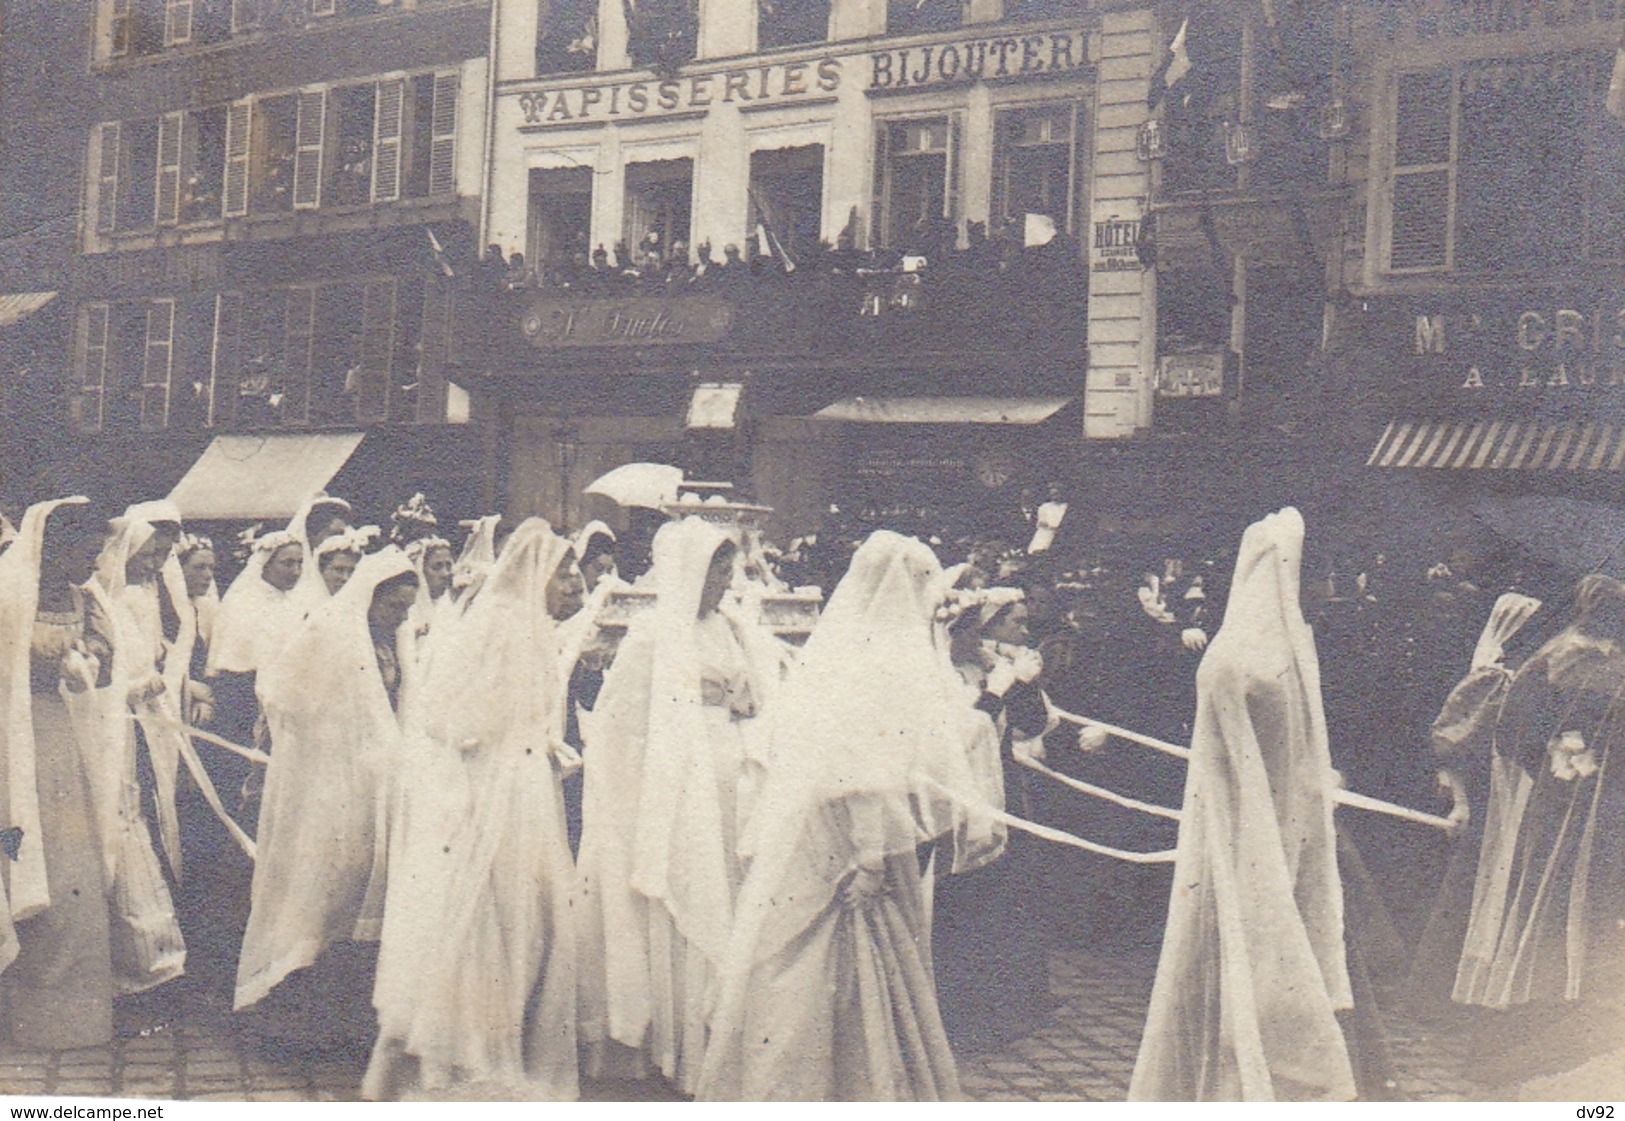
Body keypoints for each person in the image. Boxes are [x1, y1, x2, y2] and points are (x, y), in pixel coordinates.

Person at [695, 530, 989, 1101]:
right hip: (853, 835)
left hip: (826, 829)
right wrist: (872, 857)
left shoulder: (850, 653)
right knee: (838, 961)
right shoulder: (881, 664)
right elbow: (863, 774)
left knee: (817, 964)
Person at [1130, 508, 1356, 1102]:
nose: (1329, 592)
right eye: (1319, 576)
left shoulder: (1290, 651)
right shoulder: (1238, 664)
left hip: (1295, 832)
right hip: (1241, 845)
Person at [365, 520, 584, 1100]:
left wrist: (541, 744)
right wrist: (509, 747)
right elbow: (453, 718)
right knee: (492, 913)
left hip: (526, 786)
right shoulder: (503, 624)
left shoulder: (528, 625)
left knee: (526, 915)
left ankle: (508, 1040)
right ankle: (475, 1054)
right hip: (497, 791)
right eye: (566, 573)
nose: (573, 585)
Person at [576, 517, 765, 1094]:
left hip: (728, 777)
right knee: (685, 889)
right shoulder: (653, 633)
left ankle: (717, 1033)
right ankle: (668, 1041)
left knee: (727, 889)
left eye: (729, 572)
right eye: (715, 572)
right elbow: (617, 723)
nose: (724, 584)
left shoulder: (731, 627)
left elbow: (752, 692)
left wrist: (743, 700)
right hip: (676, 786)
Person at [234, 549, 418, 1053]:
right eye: (393, 608)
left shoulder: (391, 641)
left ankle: (355, 1010)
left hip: (376, 782)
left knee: (364, 885)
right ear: (369, 598)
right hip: (328, 782)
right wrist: (329, 734)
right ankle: (299, 1007)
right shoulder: (332, 631)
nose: (400, 618)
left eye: (407, 610)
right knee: (322, 886)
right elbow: (278, 690)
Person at [1454, 574, 1625, 1013]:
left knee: (1589, 884)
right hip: (1558, 791)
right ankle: (1526, 984)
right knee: (1542, 874)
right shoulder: (1556, 657)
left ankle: (1569, 987)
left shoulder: (1616, 660)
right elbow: (1512, 726)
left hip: (1604, 796)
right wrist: (1553, 754)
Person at [0, 498, 117, 1049]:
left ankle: (72, 1014)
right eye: (84, 551)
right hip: (14, 736)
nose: (92, 565)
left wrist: (89, 657)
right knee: (22, 852)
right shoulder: (9, 591)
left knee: (70, 861)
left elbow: (110, 661)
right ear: (53, 546)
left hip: (63, 735)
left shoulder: (85, 599)